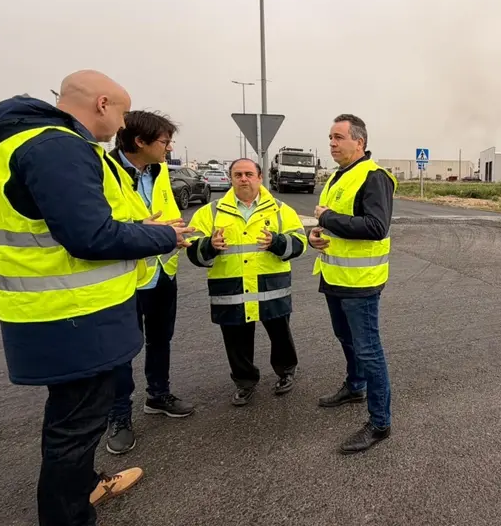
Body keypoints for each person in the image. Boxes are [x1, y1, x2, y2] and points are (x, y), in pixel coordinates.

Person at [0, 70, 194, 526]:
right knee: (74, 425)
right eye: (122, 113)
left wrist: (138, 227)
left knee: (79, 416)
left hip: (67, 312)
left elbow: (76, 223)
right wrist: (162, 238)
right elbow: (89, 236)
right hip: (70, 314)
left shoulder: (29, 141)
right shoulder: (58, 147)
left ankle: (86, 486)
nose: (123, 124)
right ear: (103, 104)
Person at [105, 111, 195, 456]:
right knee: (121, 350)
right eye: (164, 141)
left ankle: (158, 395)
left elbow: (166, 215)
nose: (169, 148)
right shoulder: (105, 170)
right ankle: (119, 416)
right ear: (140, 141)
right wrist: (145, 230)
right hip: (126, 276)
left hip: (161, 270)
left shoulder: (158, 172)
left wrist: (176, 235)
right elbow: (100, 226)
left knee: (160, 339)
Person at [187, 158, 306, 406]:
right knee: (236, 340)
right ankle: (244, 382)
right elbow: (192, 249)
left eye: (249, 174)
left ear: (259, 177)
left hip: (271, 288)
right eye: (238, 174)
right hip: (231, 290)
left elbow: (300, 242)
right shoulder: (210, 212)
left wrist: (277, 242)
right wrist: (209, 245)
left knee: (280, 335)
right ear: (231, 178)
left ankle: (286, 372)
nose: (244, 179)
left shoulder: (280, 209)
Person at [311, 114, 397, 454]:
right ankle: (355, 385)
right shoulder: (338, 176)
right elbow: (335, 224)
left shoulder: (374, 177)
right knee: (345, 337)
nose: (331, 143)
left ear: (359, 142)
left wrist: (326, 217)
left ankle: (380, 423)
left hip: (360, 282)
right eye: (330, 137)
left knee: (368, 350)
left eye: (338, 137)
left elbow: (376, 226)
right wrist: (318, 234)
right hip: (334, 276)